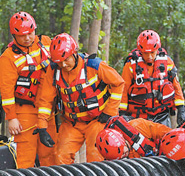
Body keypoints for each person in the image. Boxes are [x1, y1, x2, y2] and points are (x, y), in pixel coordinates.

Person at [35, 33, 124, 164]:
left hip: (97, 121)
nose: (63, 65)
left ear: (74, 53)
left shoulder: (93, 65)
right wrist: (42, 127)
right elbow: (45, 100)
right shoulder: (54, 71)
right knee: (60, 156)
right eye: (59, 62)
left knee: (96, 157)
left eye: (66, 60)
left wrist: (109, 112)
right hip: (71, 123)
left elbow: (119, 83)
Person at [0, 11, 57, 168]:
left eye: (30, 33)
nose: (28, 38)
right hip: (24, 112)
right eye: (23, 35)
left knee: (50, 154)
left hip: (48, 109)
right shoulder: (8, 57)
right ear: (14, 35)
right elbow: (6, 91)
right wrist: (12, 117)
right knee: (26, 157)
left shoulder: (45, 43)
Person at [119, 30, 185, 127]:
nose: (149, 56)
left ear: (157, 49)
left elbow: (176, 86)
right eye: (146, 53)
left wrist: (181, 109)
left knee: (165, 140)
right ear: (140, 51)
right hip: (138, 116)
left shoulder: (167, 62)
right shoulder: (131, 65)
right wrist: (122, 113)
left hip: (162, 114)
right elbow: (123, 90)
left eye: (152, 52)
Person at [96, 116, 171, 160]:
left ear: (123, 140)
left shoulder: (138, 126)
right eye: (120, 156)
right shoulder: (110, 154)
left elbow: (168, 133)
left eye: (122, 152)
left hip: (164, 156)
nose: (123, 156)